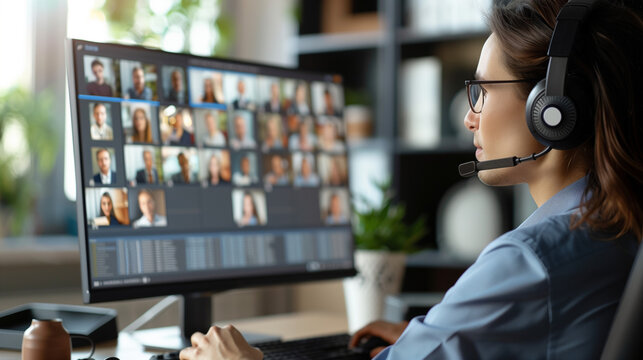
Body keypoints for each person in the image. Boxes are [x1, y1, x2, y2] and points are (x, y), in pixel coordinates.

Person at [178, 0, 643, 359]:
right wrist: (433, 337)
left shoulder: (531, 259)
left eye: (482, 91)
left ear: (552, 110)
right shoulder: (616, 226)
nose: (468, 117)